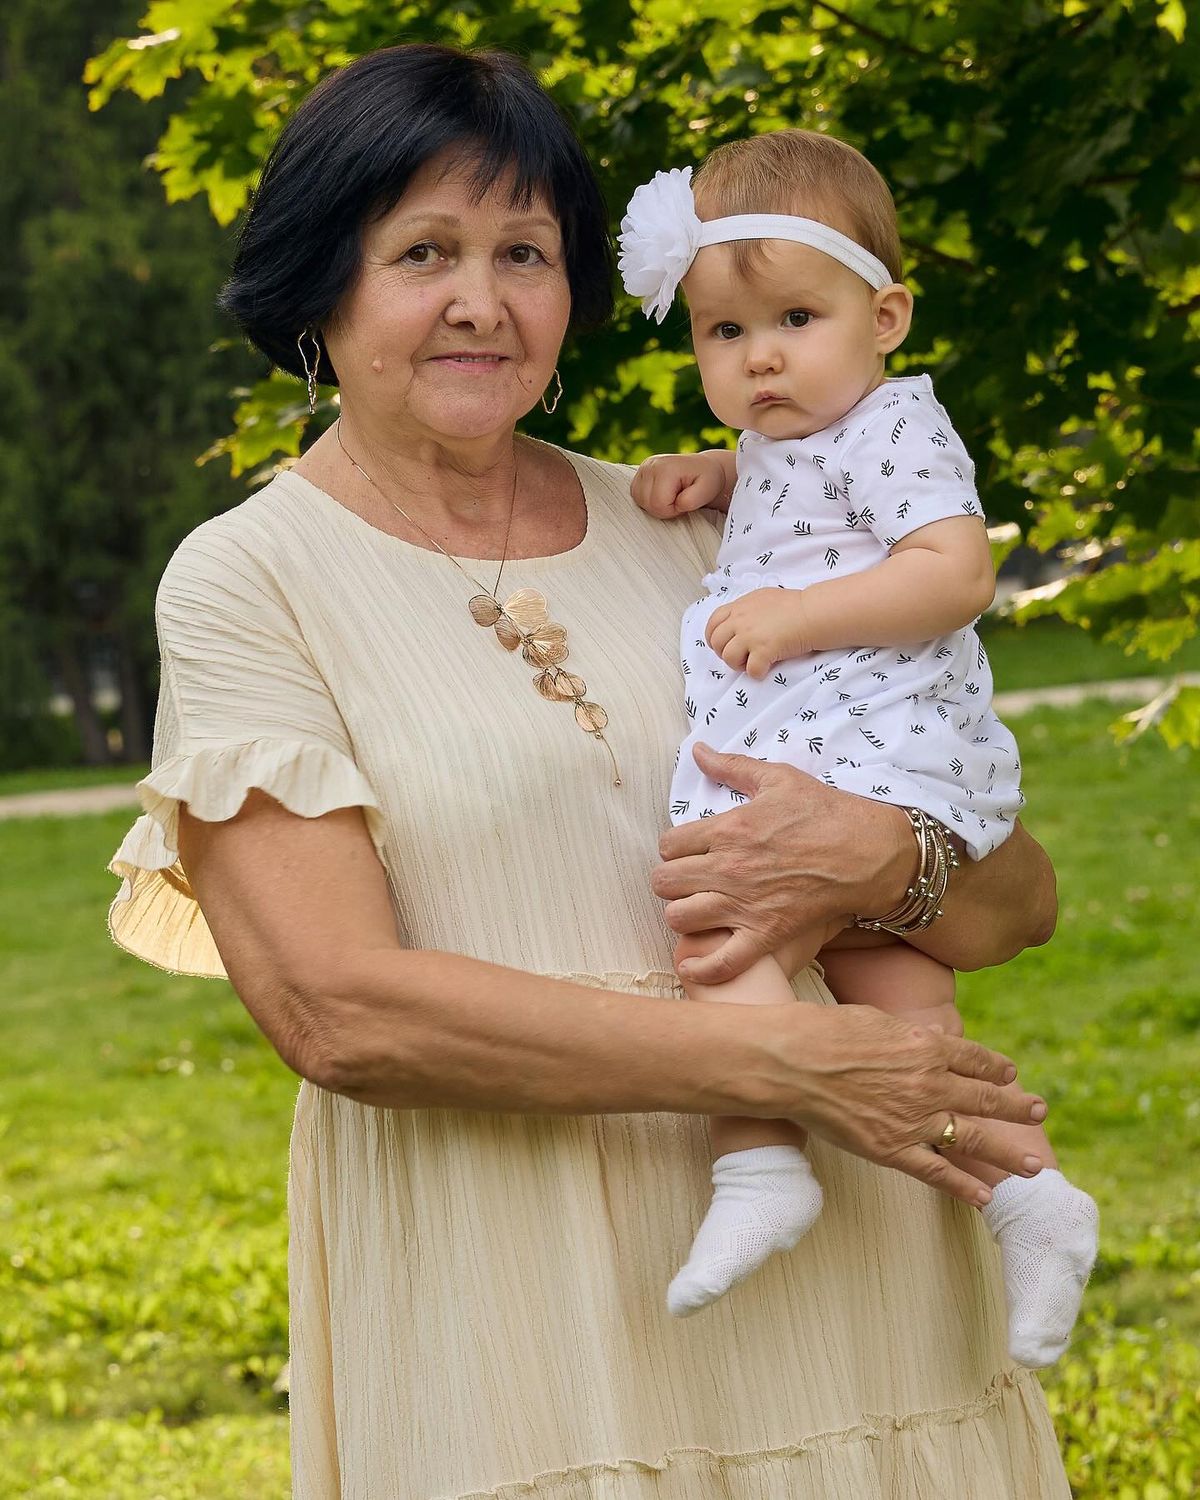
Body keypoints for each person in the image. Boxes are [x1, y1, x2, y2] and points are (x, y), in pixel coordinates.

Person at [106, 44, 1072, 1500]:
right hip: (527, 1300)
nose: (481, 301)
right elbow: (339, 1010)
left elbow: (1017, 903)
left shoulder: (716, 523)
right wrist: (781, 1063)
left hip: (863, 1257)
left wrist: (885, 861)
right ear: (321, 284)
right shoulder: (248, 581)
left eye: (526, 252)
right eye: (423, 252)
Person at [617, 131, 1098, 1354]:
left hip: (873, 746)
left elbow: (954, 570)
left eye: (795, 318)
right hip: (841, 745)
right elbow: (807, 499)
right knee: (908, 1012)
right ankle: (1033, 1198)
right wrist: (718, 475)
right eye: (725, 333)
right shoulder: (792, 441)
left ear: (884, 317)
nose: (761, 357)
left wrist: (797, 615)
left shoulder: (896, 428)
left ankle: (760, 1165)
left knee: (722, 931)